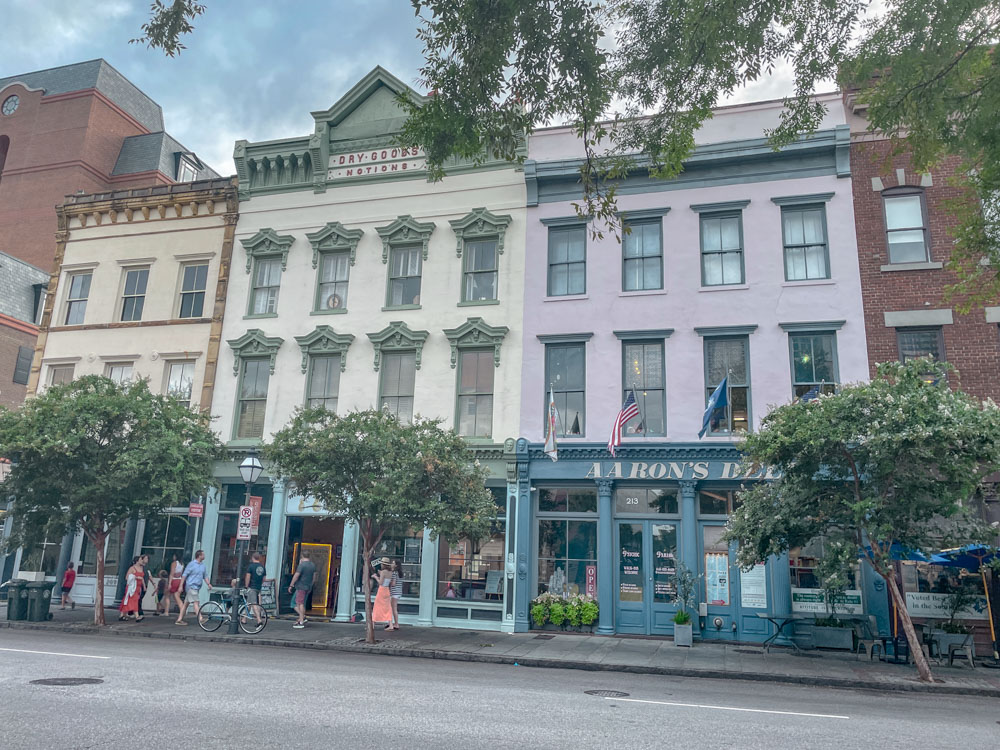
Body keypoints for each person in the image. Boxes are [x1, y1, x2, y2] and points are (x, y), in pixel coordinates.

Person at [175, 550, 212, 625]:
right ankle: (200, 618)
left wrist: (208, 584)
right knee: (196, 602)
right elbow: (184, 575)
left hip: (197, 587)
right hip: (191, 586)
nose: (204, 556)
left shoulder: (203, 566)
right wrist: (181, 586)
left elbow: (205, 576)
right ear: (199, 556)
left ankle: (179, 619)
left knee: (186, 603)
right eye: (203, 555)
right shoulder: (191, 564)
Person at [287, 550, 316, 629]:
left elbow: (296, 575)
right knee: (299, 602)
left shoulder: (302, 565)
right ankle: (302, 617)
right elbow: (314, 577)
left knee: (299, 603)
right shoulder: (312, 565)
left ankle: (301, 621)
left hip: (301, 587)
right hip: (308, 587)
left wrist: (291, 585)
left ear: (302, 557)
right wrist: (310, 585)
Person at [371, 556, 394, 631]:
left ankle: (373, 624)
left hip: (382, 590)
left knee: (376, 606)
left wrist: (375, 577)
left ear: (383, 565)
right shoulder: (390, 572)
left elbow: (380, 583)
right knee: (388, 607)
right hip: (387, 590)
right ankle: (390, 625)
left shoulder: (383, 572)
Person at [244, 552, 266, 626]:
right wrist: (260, 584)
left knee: (253, 604)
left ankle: (259, 620)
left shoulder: (251, 566)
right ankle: (244, 619)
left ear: (253, 558)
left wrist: (246, 586)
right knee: (248, 603)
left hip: (252, 587)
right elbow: (264, 579)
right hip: (258, 587)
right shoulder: (262, 567)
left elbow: (248, 577)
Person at [118, 557, 144, 622]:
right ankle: (137, 616)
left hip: (138, 587)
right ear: (137, 561)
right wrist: (136, 577)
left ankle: (122, 615)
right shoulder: (132, 568)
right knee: (132, 600)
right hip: (132, 587)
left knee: (129, 600)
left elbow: (142, 578)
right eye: (141, 560)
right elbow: (127, 577)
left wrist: (143, 586)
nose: (142, 561)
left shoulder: (141, 568)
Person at [388, 559, 402, 630]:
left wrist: (388, 583)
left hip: (394, 592)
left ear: (396, 565)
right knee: (394, 608)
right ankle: (395, 623)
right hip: (398, 592)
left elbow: (393, 583)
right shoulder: (399, 573)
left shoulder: (394, 573)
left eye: (393, 563)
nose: (391, 564)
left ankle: (396, 623)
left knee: (393, 608)